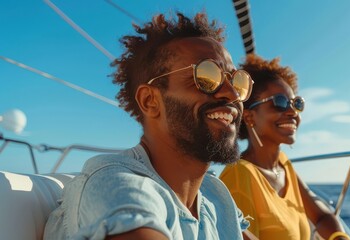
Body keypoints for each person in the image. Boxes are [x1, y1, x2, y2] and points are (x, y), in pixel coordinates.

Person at [44, 12, 255, 239]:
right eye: (207, 76)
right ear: (150, 101)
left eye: (237, 81)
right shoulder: (116, 184)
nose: (232, 94)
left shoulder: (214, 193)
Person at [219, 54, 350, 240]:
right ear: (249, 117)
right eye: (279, 103)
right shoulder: (239, 175)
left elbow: (321, 216)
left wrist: (340, 238)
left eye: (296, 104)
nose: (292, 112)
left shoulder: (283, 165)